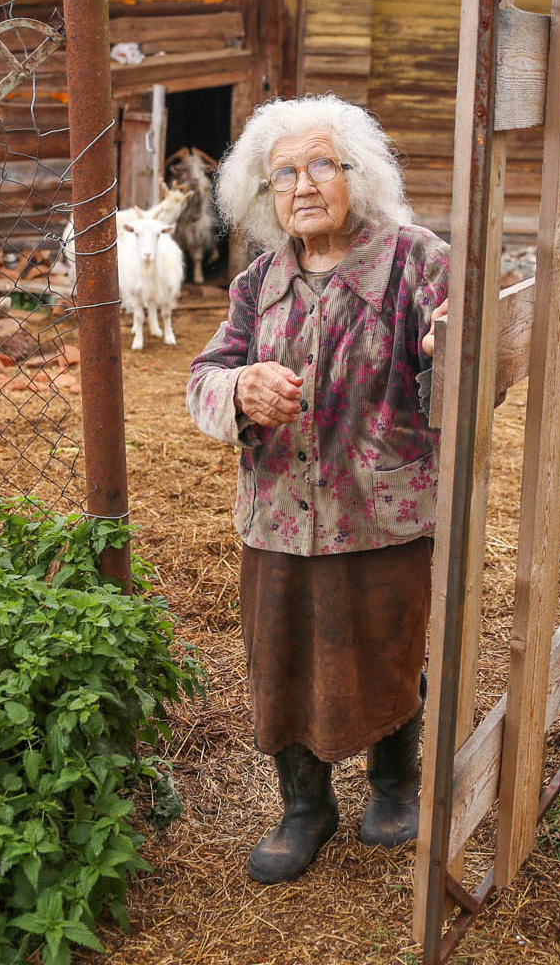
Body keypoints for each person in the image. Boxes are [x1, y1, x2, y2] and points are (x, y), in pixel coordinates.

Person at [186, 94, 449, 884]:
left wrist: (443, 354)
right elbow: (201, 375)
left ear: (356, 174)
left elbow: (469, 385)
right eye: (281, 176)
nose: (302, 185)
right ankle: (306, 808)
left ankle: (395, 787)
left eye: (320, 165)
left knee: (388, 643)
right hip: (276, 513)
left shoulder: (416, 259)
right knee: (281, 655)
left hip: (382, 510)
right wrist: (238, 391)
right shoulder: (258, 281)